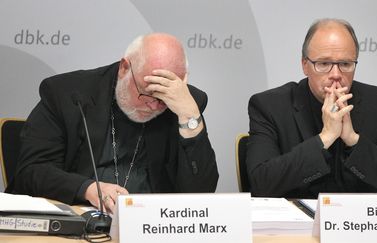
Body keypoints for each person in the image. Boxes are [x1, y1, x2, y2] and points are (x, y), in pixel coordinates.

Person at [8, 33, 219, 213]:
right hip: (77, 220)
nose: (155, 106)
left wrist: (190, 116)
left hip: (152, 228)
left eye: (164, 99)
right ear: (125, 68)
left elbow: (202, 192)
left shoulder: (184, 104)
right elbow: (31, 171)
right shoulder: (67, 94)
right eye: (147, 94)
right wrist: (87, 188)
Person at [246, 18, 377, 199]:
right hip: (296, 224)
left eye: (345, 64)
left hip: (358, 223)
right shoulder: (269, 106)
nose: (336, 75)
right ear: (305, 65)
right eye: (323, 64)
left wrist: (353, 140)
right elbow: (260, 184)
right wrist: (325, 138)